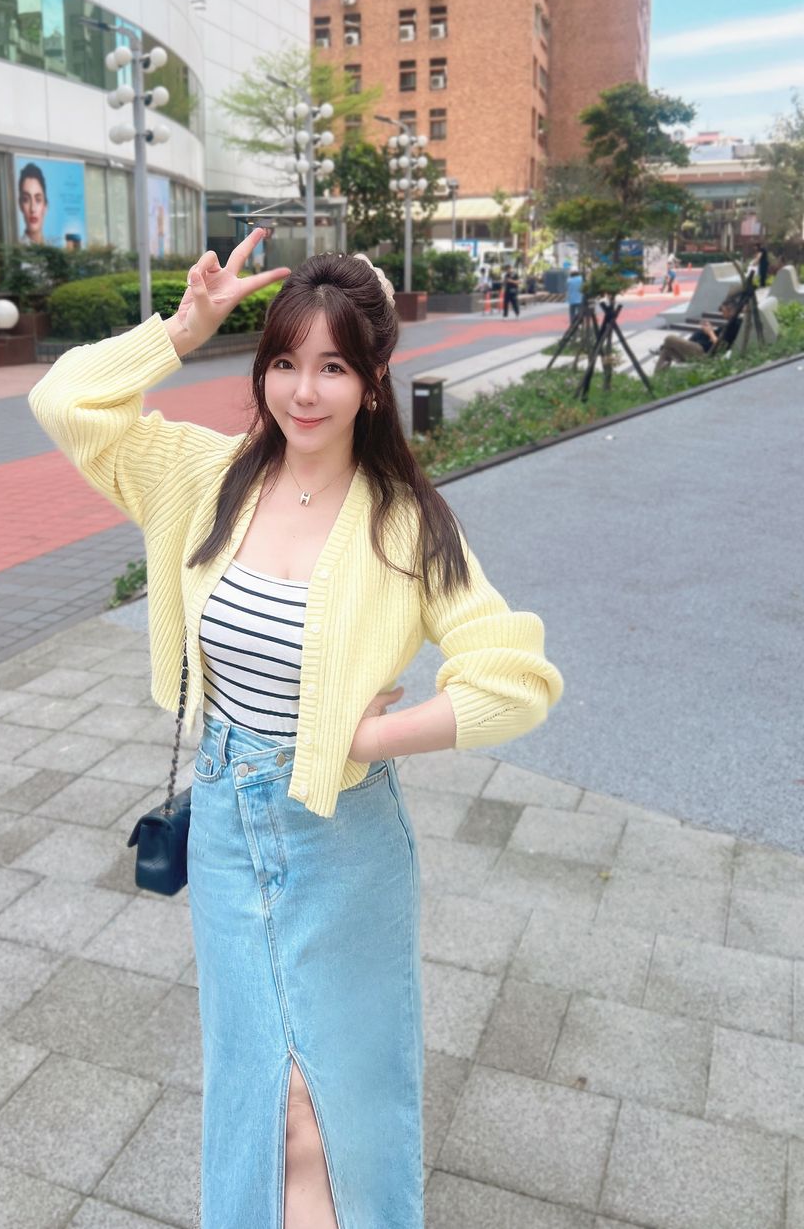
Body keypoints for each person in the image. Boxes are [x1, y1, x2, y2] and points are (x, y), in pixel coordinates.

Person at [28, 229, 564, 1229]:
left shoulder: (406, 523)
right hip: (227, 825)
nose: (303, 391)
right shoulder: (202, 475)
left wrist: (371, 741)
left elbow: (516, 678)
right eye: (283, 362)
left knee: (331, 1113)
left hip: (344, 837)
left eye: (332, 367)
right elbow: (65, 401)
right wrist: (182, 329)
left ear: (373, 380)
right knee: (261, 1100)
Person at [652, 295, 743, 375]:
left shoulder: (735, 325)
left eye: (723, 310)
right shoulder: (729, 323)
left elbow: (721, 347)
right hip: (699, 347)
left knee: (669, 338)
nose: (722, 313)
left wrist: (710, 332)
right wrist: (709, 330)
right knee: (667, 350)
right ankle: (657, 378)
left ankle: (662, 349)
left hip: (703, 352)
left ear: (731, 311)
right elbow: (716, 337)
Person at [18, 163, 49, 245]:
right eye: (26, 200)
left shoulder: (53, 248)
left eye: (38, 200)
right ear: (20, 205)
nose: (32, 209)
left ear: (45, 206)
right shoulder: (17, 249)